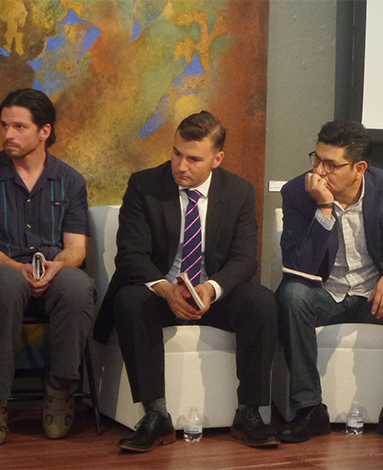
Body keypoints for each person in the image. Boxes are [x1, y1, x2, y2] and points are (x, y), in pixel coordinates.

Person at [92, 111, 278, 452]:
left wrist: (212, 288)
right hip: (160, 295)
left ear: (216, 159)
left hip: (212, 295)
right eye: (177, 153)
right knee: (129, 301)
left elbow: (243, 260)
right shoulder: (144, 185)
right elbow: (131, 255)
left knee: (261, 301)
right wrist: (165, 289)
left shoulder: (238, 192)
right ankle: (156, 415)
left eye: (194, 159)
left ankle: (249, 412)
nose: (181, 165)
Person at [277, 121, 383, 447]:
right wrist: (323, 208)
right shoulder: (298, 192)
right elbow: (297, 268)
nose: (319, 171)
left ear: (359, 168)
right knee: (292, 295)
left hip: (376, 297)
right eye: (316, 159)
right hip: (326, 295)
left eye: (331, 164)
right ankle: (309, 409)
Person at [0, 89, 95, 445]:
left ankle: (60, 389)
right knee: (7, 284)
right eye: (5, 125)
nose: (8, 134)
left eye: (19, 126)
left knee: (78, 285)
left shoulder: (70, 181)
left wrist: (56, 267)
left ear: (44, 132)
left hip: (50, 272)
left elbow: (76, 248)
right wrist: (15, 268)